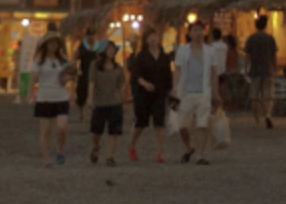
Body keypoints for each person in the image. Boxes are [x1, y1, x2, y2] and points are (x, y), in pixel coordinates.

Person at [172, 21, 223, 165]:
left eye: (200, 30)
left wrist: (216, 93)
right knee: (182, 125)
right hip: (185, 93)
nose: (198, 33)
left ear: (204, 32)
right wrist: (174, 88)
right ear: (189, 33)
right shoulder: (183, 50)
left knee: (202, 125)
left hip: (203, 93)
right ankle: (189, 147)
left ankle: (200, 155)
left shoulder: (210, 51)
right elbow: (177, 70)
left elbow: (214, 73)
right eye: (195, 30)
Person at [128, 28, 173, 163]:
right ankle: (132, 145)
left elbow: (168, 75)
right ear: (146, 40)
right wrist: (145, 84)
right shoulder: (141, 56)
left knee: (160, 123)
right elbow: (136, 75)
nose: (153, 39)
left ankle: (159, 152)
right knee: (140, 123)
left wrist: (170, 91)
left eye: (155, 36)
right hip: (143, 93)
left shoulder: (164, 57)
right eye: (150, 37)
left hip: (159, 93)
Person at [29, 35, 73, 168]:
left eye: (55, 43)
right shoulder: (39, 61)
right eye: (50, 43)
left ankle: (60, 150)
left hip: (61, 97)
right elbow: (34, 78)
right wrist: (31, 93)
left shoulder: (63, 60)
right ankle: (47, 159)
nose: (53, 45)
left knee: (62, 127)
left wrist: (69, 78)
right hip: (44, 97)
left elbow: (66, 77)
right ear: (45, 45)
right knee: (46, 131)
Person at [88, 42, 126, 167]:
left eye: (113, 49)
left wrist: (122, 102)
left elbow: (121, 86)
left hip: (115, 102)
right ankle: (96, 147)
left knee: (113, 131)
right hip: (100, 102)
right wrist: (90, 98)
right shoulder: (95, 66)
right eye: (108, 49)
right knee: (96, 131)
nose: (111, 51)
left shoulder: (118, 68)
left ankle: (110, 157)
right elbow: (92, 82)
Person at [244, 15, 278, 129]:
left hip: (254, 70)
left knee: (254, 96)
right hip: (267, 69)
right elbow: (274, 56)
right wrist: (274, 68)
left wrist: (245, 69)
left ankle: (257, 120)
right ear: (266, 25)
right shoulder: (270, 38)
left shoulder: (251, 38)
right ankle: (267, 114)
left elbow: (247, 56)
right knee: (268, 95)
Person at [75, 28, 99, 123]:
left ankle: (93, 114)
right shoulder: (82, 46)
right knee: (81, 94)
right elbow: (76, 57)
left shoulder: (98, 46)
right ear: (87, 36)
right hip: (83, 73)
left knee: (95, 94)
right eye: (89, 36)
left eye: (93, 36)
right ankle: (81, 114)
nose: (91, 37)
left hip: (95, 74)